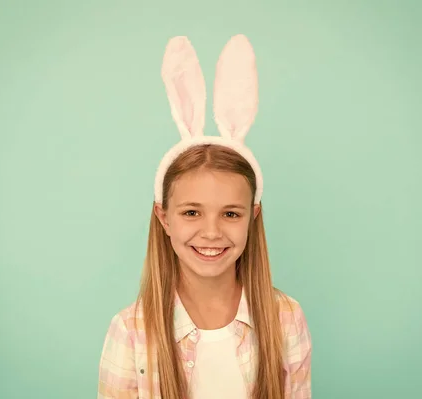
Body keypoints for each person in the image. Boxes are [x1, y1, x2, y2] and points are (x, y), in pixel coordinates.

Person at [97, 34, 312, 399]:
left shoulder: (285, 318)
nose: (211, 232)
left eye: (230, 213)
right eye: (192, 212)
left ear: (252, 217)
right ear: (164, 218)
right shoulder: (131, 331)